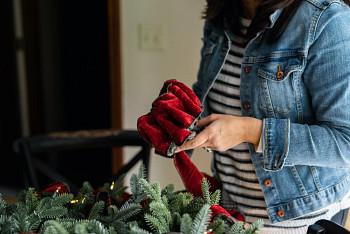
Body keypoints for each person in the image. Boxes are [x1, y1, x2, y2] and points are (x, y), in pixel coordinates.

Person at [175, 0, 350, 232]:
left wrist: (250, 132)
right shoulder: (223, 15)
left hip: (300, 221)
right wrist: (176, 118)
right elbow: (210, 96)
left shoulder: (325, 19)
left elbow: (345, 141)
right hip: (229, 214)